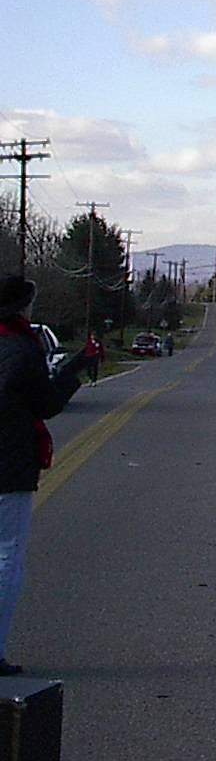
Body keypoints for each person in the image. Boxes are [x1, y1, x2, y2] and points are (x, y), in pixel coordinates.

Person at [0, 276, 86, 675]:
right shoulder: (23, 349)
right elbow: (47, 403)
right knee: (6, 559)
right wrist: (76, 370)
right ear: (21, 307)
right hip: (9, 466)